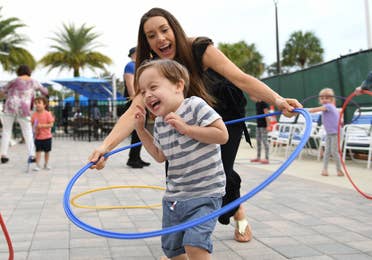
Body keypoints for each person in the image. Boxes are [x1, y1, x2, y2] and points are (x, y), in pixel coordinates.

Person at [89, 7, 302, 243]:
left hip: (222, 114)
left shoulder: (199, 48)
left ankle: (237, 210)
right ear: (146, 42)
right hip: (182, 119)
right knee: (177, 174)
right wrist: (105, 148)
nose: (160, 38)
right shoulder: (153, 68)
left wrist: (278, 100)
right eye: (151, 35)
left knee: (220, 170)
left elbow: (241, 78)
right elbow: (134, 111)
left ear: (174, 29)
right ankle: (179, 244)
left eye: (164, 30)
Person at [134, 59, 228, 260]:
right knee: (173, 251)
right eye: (143, 92)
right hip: (174, 198)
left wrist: (186, 128)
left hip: (205, 193)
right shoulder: (160, 122)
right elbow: (160, 156)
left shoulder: (194, 106)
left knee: (195, 244)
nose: (147, 95)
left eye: (153, 87)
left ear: (178, 86)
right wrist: (141, 130)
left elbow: (222, 135)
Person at [0, 65, 48, 164]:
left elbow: (2, 91)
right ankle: (32, 155)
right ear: (29, 71)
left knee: (6, 131)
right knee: (27, 131)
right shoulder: (33, 81)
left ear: (19, 71)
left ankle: (3, 155)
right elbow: (45, 92)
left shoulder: (14, 81)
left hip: (10, 107)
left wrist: (8, 94)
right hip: (24, 109)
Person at [123, 46, 150, 168]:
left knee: (140, 130)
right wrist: (135, 100)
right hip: (136, 102)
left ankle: (137, 157)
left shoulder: (139, 66)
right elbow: (130, 83)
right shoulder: (130, 65)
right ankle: (132, 159)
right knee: (136, 131)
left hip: (143, 101)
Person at [308, 88, 344, 177]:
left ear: (331, 99)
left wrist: (306, 110)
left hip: (336, 132)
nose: (324, 100)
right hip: (329, 132)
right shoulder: (329, 107)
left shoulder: (329, 106)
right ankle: (325, 169)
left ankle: (339, 170)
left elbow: (316, 110)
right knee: (327, 151)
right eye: (322, 98)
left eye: (327, 98)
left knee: (334, 151)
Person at [31, 96, 54, 171]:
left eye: (39, 103)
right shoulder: (34, 115)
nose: (37, 105)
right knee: (38, 151)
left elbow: (51, 124)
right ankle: (37, 165)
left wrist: (42, 126)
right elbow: (32, 124)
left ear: (44, 105)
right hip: (38, 137)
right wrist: (35, 129)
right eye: (36, 103)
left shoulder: (47, 114)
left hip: (47, 137)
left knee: (47, 151)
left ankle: (46, 164)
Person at [250, 98, 270, 164]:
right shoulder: (257, 103)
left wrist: (268, 125)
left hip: (264, 126)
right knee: (258, 141)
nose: (251, 97)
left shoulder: (264, 103)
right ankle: (258, 157)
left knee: (265, 141)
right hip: (259, 125)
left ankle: (267, 158)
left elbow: (267, 115)